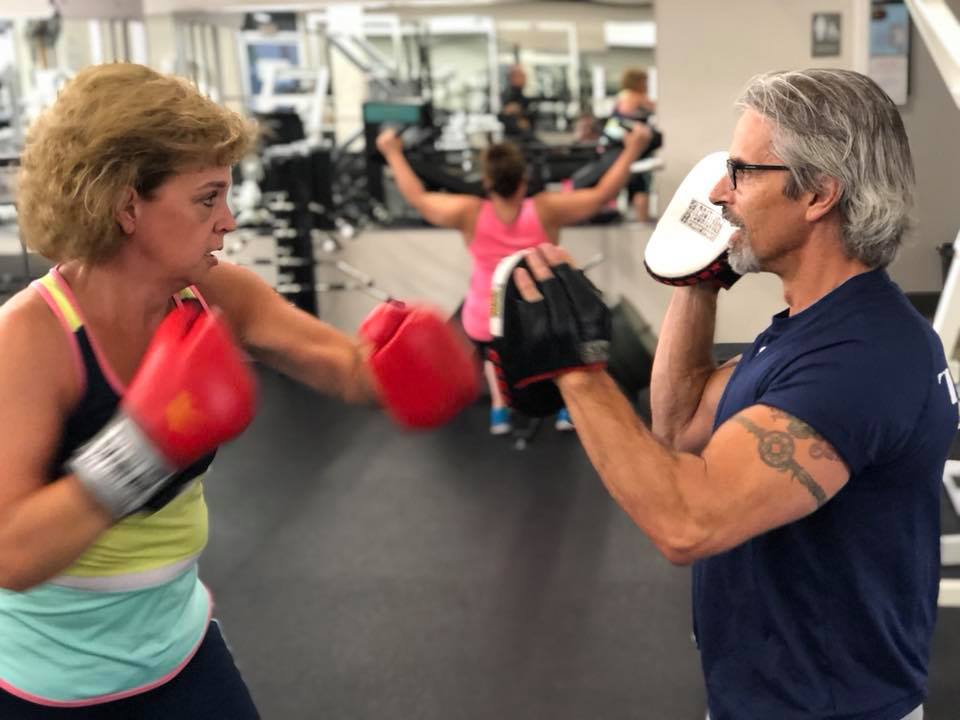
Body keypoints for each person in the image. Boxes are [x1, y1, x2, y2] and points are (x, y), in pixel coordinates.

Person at [0, 62, 478, 717]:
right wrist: (145, 446)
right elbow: (11, 552)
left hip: (180, 651)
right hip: (52, 688)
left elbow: (345, 367)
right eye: (207, 198)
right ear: (126, 203)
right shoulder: (31, 339)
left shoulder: (214, 292)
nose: (227, 220)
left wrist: (419, 352)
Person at [505, 68, 954, 719]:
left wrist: (576, 370)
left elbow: (688, 520)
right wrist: (698, 281)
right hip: (772, 697)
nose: (720, 193)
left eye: (741, 172)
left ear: (818, 194)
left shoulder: (861, 359)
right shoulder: (809, 330)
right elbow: (679, 426)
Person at [376, 121, 651, 435]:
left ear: (487, 181)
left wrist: (392, 152)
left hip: (485, 319)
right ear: (523, 180)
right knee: (558, 338)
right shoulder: (546, 209)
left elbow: (419, 199)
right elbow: (603, 193)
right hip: (542, 319)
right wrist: (633, 148)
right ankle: (565, 406)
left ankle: (499, 409)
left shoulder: (469, 211)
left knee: (494, 350)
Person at [610, 68, 658, 222]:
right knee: (641, 184)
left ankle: (635, 217)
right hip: (635, 146)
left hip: (621, 146)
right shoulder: (636, 97)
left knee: (628, 181)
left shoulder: (621, 96)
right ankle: (642, 220)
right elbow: (659, 108)